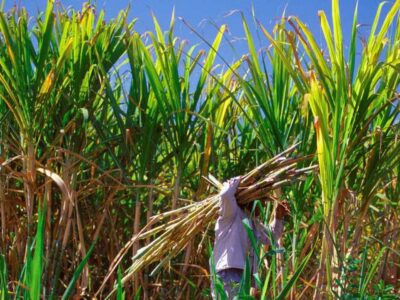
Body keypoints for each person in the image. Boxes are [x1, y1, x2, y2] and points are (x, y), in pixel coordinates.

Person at [212, 177, 290, 299]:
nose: (263, 206)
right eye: (261, 201)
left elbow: (271, 237)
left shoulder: (253, 222)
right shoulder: (232, 213)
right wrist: (239, 180)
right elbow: (226, 194)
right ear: (250, 200)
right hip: (228, 274)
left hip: (243, 276)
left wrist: (278, 218)